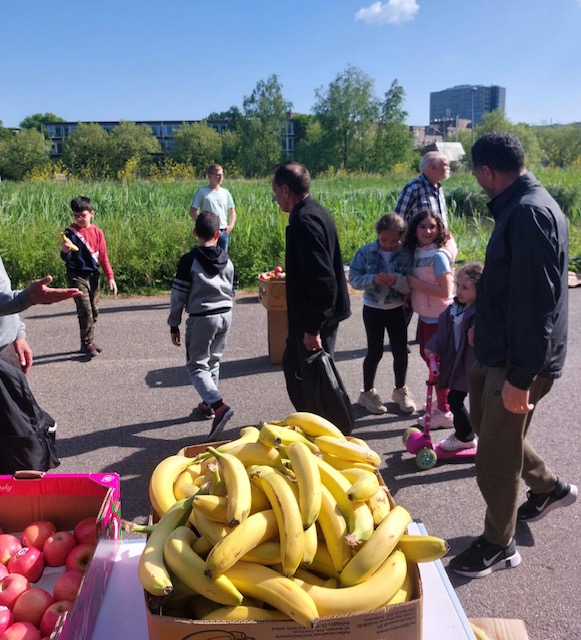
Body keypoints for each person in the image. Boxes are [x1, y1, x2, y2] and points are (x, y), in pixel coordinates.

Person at [449, 132, 577, 579]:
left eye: (476, 174)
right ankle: (549, 488)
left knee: (496, 458)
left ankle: (498, 544)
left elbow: (537, 304)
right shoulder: (521, 207)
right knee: (489, 428)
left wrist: (520, 378)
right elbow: (510, 288)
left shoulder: (528, 213)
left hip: (519, 361)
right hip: (500, 349)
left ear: (487, 171)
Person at [271, 162, 351, 411]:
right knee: (302, 371)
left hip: (315, 317)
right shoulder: (315, 211)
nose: (275, 199)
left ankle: (324, 429)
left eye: (275, 192)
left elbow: (325, 280)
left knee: (313, 379)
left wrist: (312, 328)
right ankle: (317, 423)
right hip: (316, 314)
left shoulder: (305, 221)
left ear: (285, 190)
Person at [0, 257, 81, 474]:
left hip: (6, 348)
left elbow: (2, 288)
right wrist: (26, 298)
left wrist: (18, 333)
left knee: (18, 433)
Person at [168, 211, 235, 441]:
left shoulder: (189, 260)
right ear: (218, 234)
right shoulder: (227, 259)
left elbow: (178, 295)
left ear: (195, 232)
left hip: (202, 317)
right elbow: (231, 289)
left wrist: (174, 323)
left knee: (197, 366)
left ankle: (219, 406)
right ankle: (207, 404)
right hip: (225, 315)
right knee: (213, 361)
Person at [349, 213, 416, 415]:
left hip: (396, 308)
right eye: (384, 239)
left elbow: (411, 284)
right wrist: (373, 279)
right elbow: (353, 279)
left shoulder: (406, 254)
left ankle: (400, 391)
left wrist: (397, 280)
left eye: (395, 240)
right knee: (375, 351)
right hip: (373, 309)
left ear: (402, 238)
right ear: (378, 234)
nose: (388, 244)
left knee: (400, 350)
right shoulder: (366, 251)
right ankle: (367, 393)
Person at [405, 210, 457, 428]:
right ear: (414, 230)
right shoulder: (419, 252)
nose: (428, 231)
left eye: (432, 227)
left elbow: (445, 291)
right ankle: (446, 401)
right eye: (423, 227)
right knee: (430, 359)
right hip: (426, 316)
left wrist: (414, 284)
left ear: (439, 229)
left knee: (436, 363)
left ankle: (445, 411)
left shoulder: (438, 255)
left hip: (439, 318)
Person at [425, 261, 483, 451]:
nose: (459, 291)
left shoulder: (482, 313)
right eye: (458, 285)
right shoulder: (454, 309)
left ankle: (467, 436)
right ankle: (465, 435)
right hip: (458, 364)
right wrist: (432, 348)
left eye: (465, 287)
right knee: (456, 399)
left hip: (474, 365)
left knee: (475, 404)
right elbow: (442, 334)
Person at [60, 196, 118, 359]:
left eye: (82, 215)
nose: (79, 218)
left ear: (91, 213)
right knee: (85, 310)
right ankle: (87, 343)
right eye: (75, 215)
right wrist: (65, 250)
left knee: (94, 310)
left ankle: (87, 340)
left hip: (93, 276)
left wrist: (110, 277)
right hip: (77, 276)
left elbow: (103, 256)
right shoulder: (70, 232)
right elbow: (66, 257)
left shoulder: (97, 232)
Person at [393, 151, 450, 227]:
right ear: (433, 167)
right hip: (416, 238)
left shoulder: (438, 188)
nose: (448, 168)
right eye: (445, 165)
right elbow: (397, 218)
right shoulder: (414, 188)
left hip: (438, 238)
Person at [189, 164, 237, 253]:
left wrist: (231, 226)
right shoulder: (202, 192)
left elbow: (232, 211)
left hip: (223, 231)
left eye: (222, 175)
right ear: (210, 176)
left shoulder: (225, 193)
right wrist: (202, 224)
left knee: (222, 260)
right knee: (206, 258)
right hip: (207, 233)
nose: (220, 177)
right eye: (218, 175)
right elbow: (192, 211)